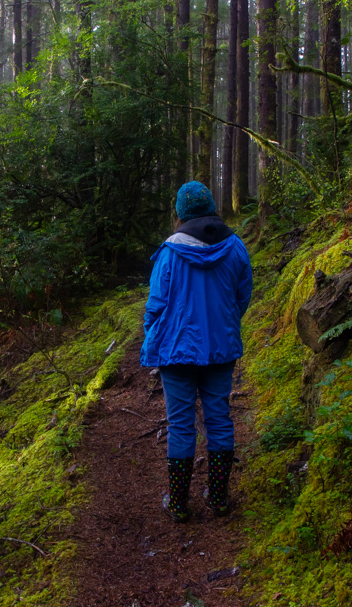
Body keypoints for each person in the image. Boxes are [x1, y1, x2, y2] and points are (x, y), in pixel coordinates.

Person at [140, 181, 253, 523]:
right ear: (211, 207)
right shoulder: (235, 247)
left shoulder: (170, 251)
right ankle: (218, 499)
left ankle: (178, 505)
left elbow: (156, 304)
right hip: (221, 350)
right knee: (219, 419)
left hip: (177, 351)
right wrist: (223, 324)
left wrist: (152, 331)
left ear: (180, 214)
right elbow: (242, 296)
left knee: (180, 425)